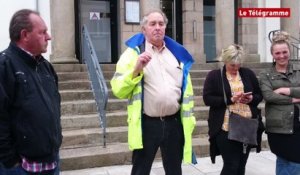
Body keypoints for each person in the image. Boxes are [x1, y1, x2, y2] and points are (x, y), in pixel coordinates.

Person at [110, 9, 196, 175]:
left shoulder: (177, 54)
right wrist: (136, 70)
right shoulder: (132, 54)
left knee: (174, 171)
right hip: (147, 124)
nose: (157, 27)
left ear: (165, 27)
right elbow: (118, 90)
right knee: (140, 170)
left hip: (174, 123)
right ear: (144, 29)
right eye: (152, 24)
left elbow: (185, 90)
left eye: (161, 24)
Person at [0, 9, 62, 175]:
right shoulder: (5, 66)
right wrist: (10, 161)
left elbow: (55, 107)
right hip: (20, 167)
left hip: (51, 163)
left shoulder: (46, 67)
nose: (48, 37)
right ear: (25, 35)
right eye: (42, 32)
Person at [203, 44, 264, 175]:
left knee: (241, 165)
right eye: (232, 65)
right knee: (231, 165)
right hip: (226, 128)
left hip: (247, 126)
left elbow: (259, 95)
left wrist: (251, 98)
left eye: (238, 65)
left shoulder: (248, 73)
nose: (236, 68)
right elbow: (207, 99)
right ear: (225, 61)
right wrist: (230, 99)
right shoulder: (214, 76)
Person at [259, 31, 300, 175]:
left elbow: (276, 95)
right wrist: (293, 99)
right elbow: (269, 96)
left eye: (284, 52)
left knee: (293, 162)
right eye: (277, 53)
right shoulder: (265, 74)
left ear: (289, 51)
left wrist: (285, 90)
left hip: (297, 124)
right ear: (272, 54)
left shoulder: (298, 70)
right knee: (286, 160)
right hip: (279, 126)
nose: (281, 56)